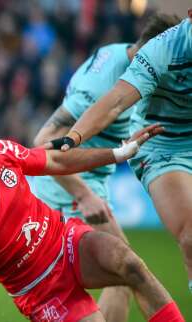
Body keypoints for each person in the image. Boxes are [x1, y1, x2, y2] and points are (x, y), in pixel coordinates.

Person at [0, 128, 185, 322]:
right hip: (40, 291)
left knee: (129, 263)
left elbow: (53, 160)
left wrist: (118, 153)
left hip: (65, 241)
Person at [30, 14, 180, 321]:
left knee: (118, 272)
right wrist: (84, 196)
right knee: (123, 270)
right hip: (65, 187)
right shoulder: (102, 85)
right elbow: (44, 140)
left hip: (85, 181)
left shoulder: (122, 54)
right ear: (150, 50)